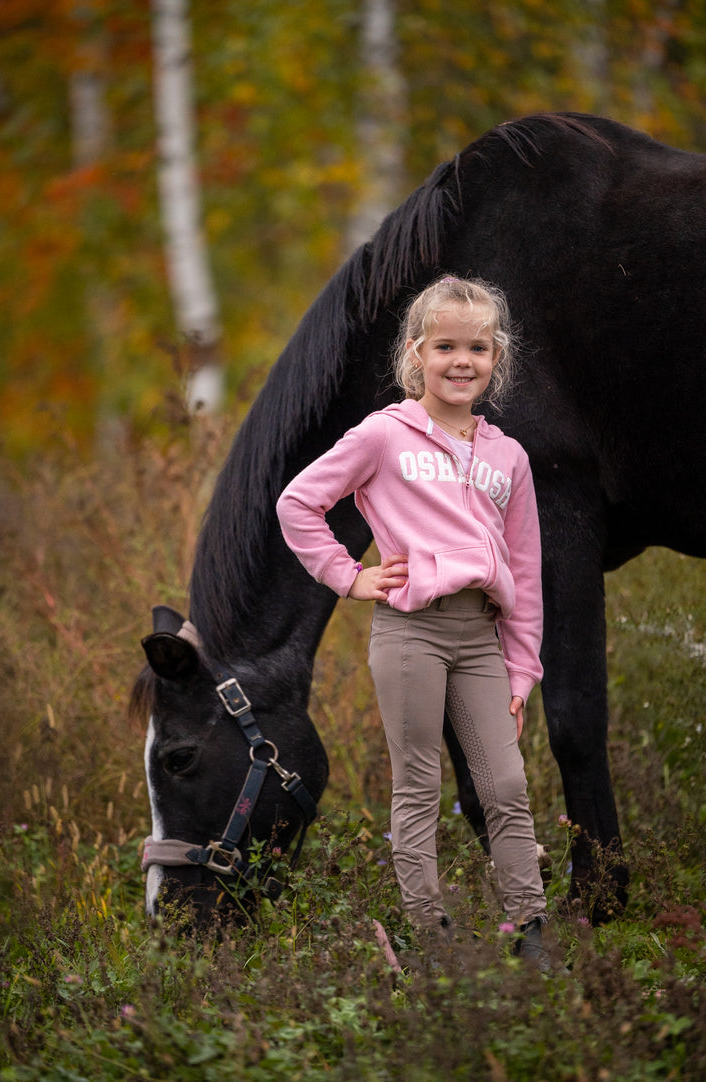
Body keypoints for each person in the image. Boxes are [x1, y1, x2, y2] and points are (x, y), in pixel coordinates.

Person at [276, 275, 549, 965]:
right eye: (447, 346)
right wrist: (350, 575)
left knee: (506, 784)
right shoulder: (382, 437)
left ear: (497, 357)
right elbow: (297, 505)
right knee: (419, 783)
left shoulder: (507, 457)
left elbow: (523, 568)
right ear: (416, 352)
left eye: (479, 348)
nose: (463, 361)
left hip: (480, 639)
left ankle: (532, 929)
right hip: (411, 635)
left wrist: (521, 668)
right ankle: (429, 934)